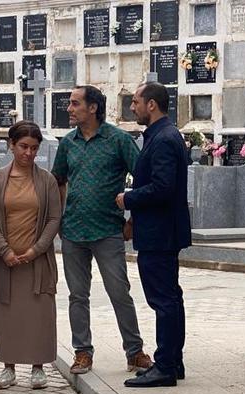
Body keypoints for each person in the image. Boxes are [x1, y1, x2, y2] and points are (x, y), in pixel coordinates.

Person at [52, 85, 153, 375]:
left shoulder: (119, 140)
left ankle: (134, 352)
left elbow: (142, 178)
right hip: (73, 231)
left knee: (119, 292)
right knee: (77, 296)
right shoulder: (68, 143)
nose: (69, 109)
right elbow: (58, 179)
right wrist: (59, 218)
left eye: (74, 104)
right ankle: (82, 352)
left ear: (93, 108)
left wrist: (133, 220)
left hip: (109, 229)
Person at [117, 82, 191, 388]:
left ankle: (165, 366)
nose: (132, 107)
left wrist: (128, 199)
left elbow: (162, 187)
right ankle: (173, 362)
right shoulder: (162, 135)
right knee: (170, 297)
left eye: (135, 102)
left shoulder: (162, 139)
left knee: (163, 299)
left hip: (160, 233)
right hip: (160, 230)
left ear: (151, 105)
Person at [0, 121, 61, 389]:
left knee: (39, 314)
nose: (28, 153)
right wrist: (4, 250)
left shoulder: (46, 181)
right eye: (23, 147)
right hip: (7, 261)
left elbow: (53, 218)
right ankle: (8, 366)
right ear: (11, 146)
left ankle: (38, 366)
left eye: (34, 148)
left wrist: (35, 250)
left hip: (36, 260)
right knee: (8, 315)